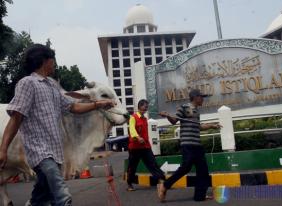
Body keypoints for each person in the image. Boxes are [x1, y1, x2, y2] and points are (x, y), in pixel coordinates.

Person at [0, 44, 116, 206]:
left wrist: (98, 104)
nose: (55, 63)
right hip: (40, 152)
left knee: (41, 198)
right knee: (61, 195)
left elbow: (73, 107)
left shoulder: (53, 86)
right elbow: (16, 118)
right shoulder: (27, 83)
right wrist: (3, 149)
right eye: (52, 59)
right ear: (44, 61)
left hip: (55, 151)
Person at [158, 89, 221, 202]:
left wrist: (212, 125)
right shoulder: (183, 107)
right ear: (195, 97)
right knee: (185, 168)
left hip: (197, 145)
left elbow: (199, 127)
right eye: (201, 97)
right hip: (187, 145)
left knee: (203, 170)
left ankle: (200, 196)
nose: (203, 99)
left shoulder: (197, 111)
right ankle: (165, 185)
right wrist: (167, 115)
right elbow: (174, 121)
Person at [126, 99, 165, 191]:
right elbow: (132, 130)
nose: (146, 109)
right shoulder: (133, 117)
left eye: (147, 107)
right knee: (132, 166)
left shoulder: (145, 119)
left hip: (145, 146)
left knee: (153, 164)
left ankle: (161, 180)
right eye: (145, 107)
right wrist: (137, 137)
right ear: (139, 107)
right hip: (135, 147)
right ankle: (129, 184)